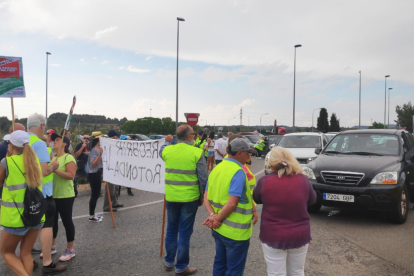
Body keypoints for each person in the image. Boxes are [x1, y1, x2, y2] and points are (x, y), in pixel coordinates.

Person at [253, 147, 316, 276]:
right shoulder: (303, 179)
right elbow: (312, 201)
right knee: (297, 271)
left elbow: (257, 198)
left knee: (276, 273)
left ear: (271, 163)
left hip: (273, 235)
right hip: (300, 234)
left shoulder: (264, 181)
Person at [202, 138, 258, 276]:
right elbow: (232, 203)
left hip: (219, 230)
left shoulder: (217, 168)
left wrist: (212, 216)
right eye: (247, 153)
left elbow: (206, 196)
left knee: (220, 264)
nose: (249, 156)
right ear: (239, 153)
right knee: (234, 270)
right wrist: (218, 219)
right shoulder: (238, 172)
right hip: (235, 233)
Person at [159, 124, 208, 275]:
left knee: (171, 229)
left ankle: (169, 262)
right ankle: (181, 267)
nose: (194, 136)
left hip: (172, 198)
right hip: (189, 198)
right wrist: (202, 197)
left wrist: (167, 141)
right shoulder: (197, 152)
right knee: (185, 233)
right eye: (193, 134)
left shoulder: (167, 150)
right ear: (188, 137)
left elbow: (161, 151)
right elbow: (203, 178)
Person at [0, 131, 46, 275]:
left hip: (16, 219)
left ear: (11, 146)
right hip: (35, 215)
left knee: (6, 252)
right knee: (25, 254)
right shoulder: (34, 161)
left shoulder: (6, 162)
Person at [27, 114, 67, 274]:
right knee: (47, 225)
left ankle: (27, 259)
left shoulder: (20, 141)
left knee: (29, 227)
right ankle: (48, 263)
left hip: (26, 193)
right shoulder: (39, 144)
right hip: (42, 193)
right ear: (42, 126)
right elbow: (44, 171)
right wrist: (54, 166)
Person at [50, 133, 77, 262]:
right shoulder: (52, 158)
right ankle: (51, 246)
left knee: (67, 221)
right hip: (52, 195)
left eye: (57, 140)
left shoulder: (68, 157)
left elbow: (71, 175)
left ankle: (70, 249)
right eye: (53, 140)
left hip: (65, 195)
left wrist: (55, 170)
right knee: (52, 222)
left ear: (65, 144)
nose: (54, 142)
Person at [0, 123, 26, 199]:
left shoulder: (30, 157)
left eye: (24, 133)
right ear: (11, 132)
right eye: (20, 132)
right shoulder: (4, 148)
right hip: (8, 196)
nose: (22, 135)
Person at [103, 130, 124, 212]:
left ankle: (115, 202)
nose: (117, 137)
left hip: (115, 169)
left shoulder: (114, 145)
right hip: (110, 170)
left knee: (115, 188)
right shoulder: (107, 145)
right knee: (109, 189)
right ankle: (106, 206)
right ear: (113, 137)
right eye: (116, 136)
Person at [86, 131, 104, 222]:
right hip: (94, 174)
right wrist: (100, 154)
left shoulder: (97, 149)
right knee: (94, 195)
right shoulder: (94, 150)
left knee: (95, 195)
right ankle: (91, 215)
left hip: (96, 174)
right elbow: (94, 164)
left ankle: (92, 214)